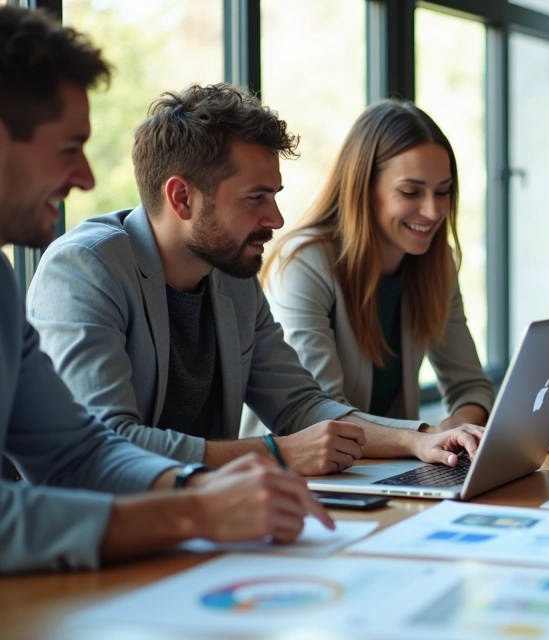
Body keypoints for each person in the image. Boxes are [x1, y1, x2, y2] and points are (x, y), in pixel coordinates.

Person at [0, 5, 331, 573]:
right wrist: (193, 511)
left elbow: (76, 452)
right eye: (67, 148)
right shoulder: (82, 267)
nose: (85, 177)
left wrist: (194, 487)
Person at [27, 83, 483, 477]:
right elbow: (109, 445)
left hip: (209, 520)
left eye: (275, 195)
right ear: (182, 197)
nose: (277, 218)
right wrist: (275, 453)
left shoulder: (232, 275)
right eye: (256, 198)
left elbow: (301, 406)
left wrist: (418, 440)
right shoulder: (84, 270)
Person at [248, 101, 493, 437]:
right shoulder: (305, 263)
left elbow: (471, 387)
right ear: (363, 188)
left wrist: (456, 428)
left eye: (443, 191)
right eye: (410, 191)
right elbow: (320, 413)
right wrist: (426, 437)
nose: (433, 210)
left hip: (390, 467)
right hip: (300, 476)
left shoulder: (436, 264)